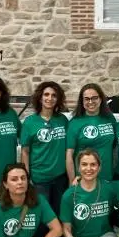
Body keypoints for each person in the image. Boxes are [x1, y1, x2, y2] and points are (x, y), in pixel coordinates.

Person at [20, 81, 69, 213]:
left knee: (60, 213)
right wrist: (27, 176)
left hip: (60, 177)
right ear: (40, 98)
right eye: (46, 94)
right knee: (43, 216)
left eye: (54, 95)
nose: (50, 98)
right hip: (39, 179)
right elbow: (25, 152)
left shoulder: (62, 120)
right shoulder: (30, 122)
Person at [67, 83, 116, 182]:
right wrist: (72, 181)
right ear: (82, 101)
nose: (90, 101)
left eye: (94, 98)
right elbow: (69, 155)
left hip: (106, 177)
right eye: (87, 98)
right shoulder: (75, 123)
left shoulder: (109, 118)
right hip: (84, 178)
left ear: (101, 99)